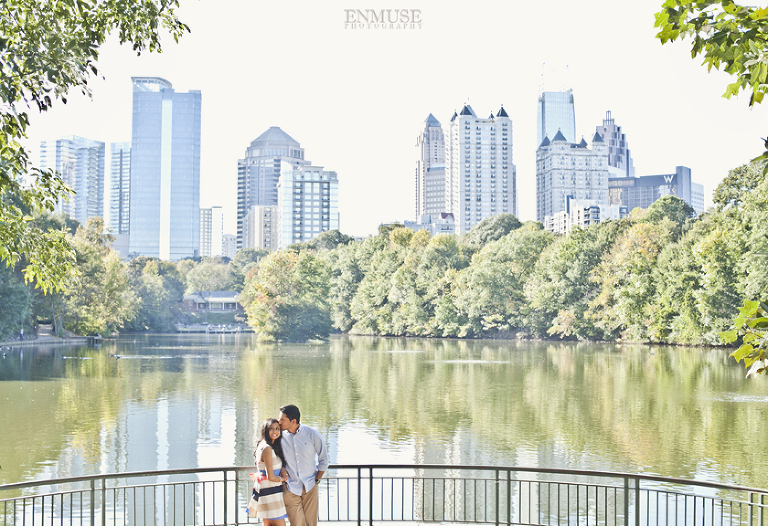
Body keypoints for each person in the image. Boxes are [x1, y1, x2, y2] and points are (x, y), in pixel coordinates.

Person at [278, 404, 328, 526]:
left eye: (282, 419)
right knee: (297, 524)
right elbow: (269, 453)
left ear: (293, 421)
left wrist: (316, 480)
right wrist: (282, 468)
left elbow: (324, 459)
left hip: (310, 486)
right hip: (290, 487)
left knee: (311, 523)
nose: (279, 422)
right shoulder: (279, 436)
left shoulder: (312, 434)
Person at [250, 418, 288, 526]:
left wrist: (282, 469)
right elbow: (271, 476)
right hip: (270, 492)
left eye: (277, 429)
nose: (275, 431)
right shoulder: (267, 448)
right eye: (272, 428)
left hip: (266, 490)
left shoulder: (265, 444)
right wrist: (283, 479)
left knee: (268, 524)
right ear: (265, 430)